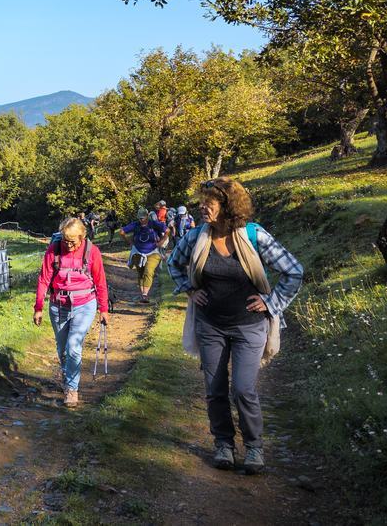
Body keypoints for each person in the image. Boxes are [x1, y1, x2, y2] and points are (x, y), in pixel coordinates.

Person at [167, 177, 303, 475]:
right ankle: (224, 445)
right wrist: (190, 290)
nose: (202, 207)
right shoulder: (195, 237)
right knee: (215, 389)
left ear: (228, 207)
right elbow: (173, 264)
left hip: (249, 326)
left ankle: (254, 447)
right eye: (201, 202)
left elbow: (294, 271)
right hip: (210, 325)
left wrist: (271, 303)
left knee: (243, 389)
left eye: (209, 203)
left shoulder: (254, 236)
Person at [33, 217, 110, 407]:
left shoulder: (92, 252)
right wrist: (38, 307)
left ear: (82, 236)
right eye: (65, 240)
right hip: (58, 305)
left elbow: (100, 282)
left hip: (85, 304)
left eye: (73, 241)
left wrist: (104, 309)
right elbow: (44, 279)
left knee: (73, 346)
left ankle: (72, 390)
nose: (68, 245)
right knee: (63, 350)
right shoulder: (54, 249)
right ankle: (68, 379)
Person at [120, 207, 167, 303]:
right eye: (139, 218)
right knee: (140, 273)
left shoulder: (154, 224)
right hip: (138, 251)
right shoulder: (135, 225)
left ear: (147, 216)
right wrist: (129, 242)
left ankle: (145, 294)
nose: (141, 219)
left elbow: (167, 231)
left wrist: (161, 242)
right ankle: (143, 295)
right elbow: (122, 231)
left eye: (143, 217)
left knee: (148, 271)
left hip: (153, 252)